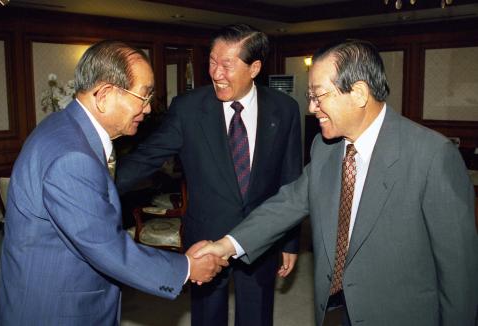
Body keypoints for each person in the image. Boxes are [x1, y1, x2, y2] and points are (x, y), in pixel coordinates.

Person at [194, 39, 478, 326]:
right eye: (309, 96)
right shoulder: (325, 148)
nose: (312, 107)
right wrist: (226, 246)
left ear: (357, 93)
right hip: (333, 310)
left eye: (319, 96)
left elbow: (459, 273)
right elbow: (287, 203)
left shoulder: (431, 157)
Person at [0, 40, 228, 326]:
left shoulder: (63, 127)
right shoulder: (71, 157)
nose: (149, 107)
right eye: (144, 95)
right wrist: (186, 268)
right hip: (56, 310)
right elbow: (106, 247)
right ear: (104, 95)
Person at [116, 24, 303, 326]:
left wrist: (290, 241)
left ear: (254, 67)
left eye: (227, 65)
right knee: (207, 319)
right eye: (212, 62)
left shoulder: (285, 109)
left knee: (256, 316)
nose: (216, 73)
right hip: (206, 238)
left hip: (261, 236)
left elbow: (291, 180)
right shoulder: (189, 108)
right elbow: (145, 158)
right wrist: (96, 185)